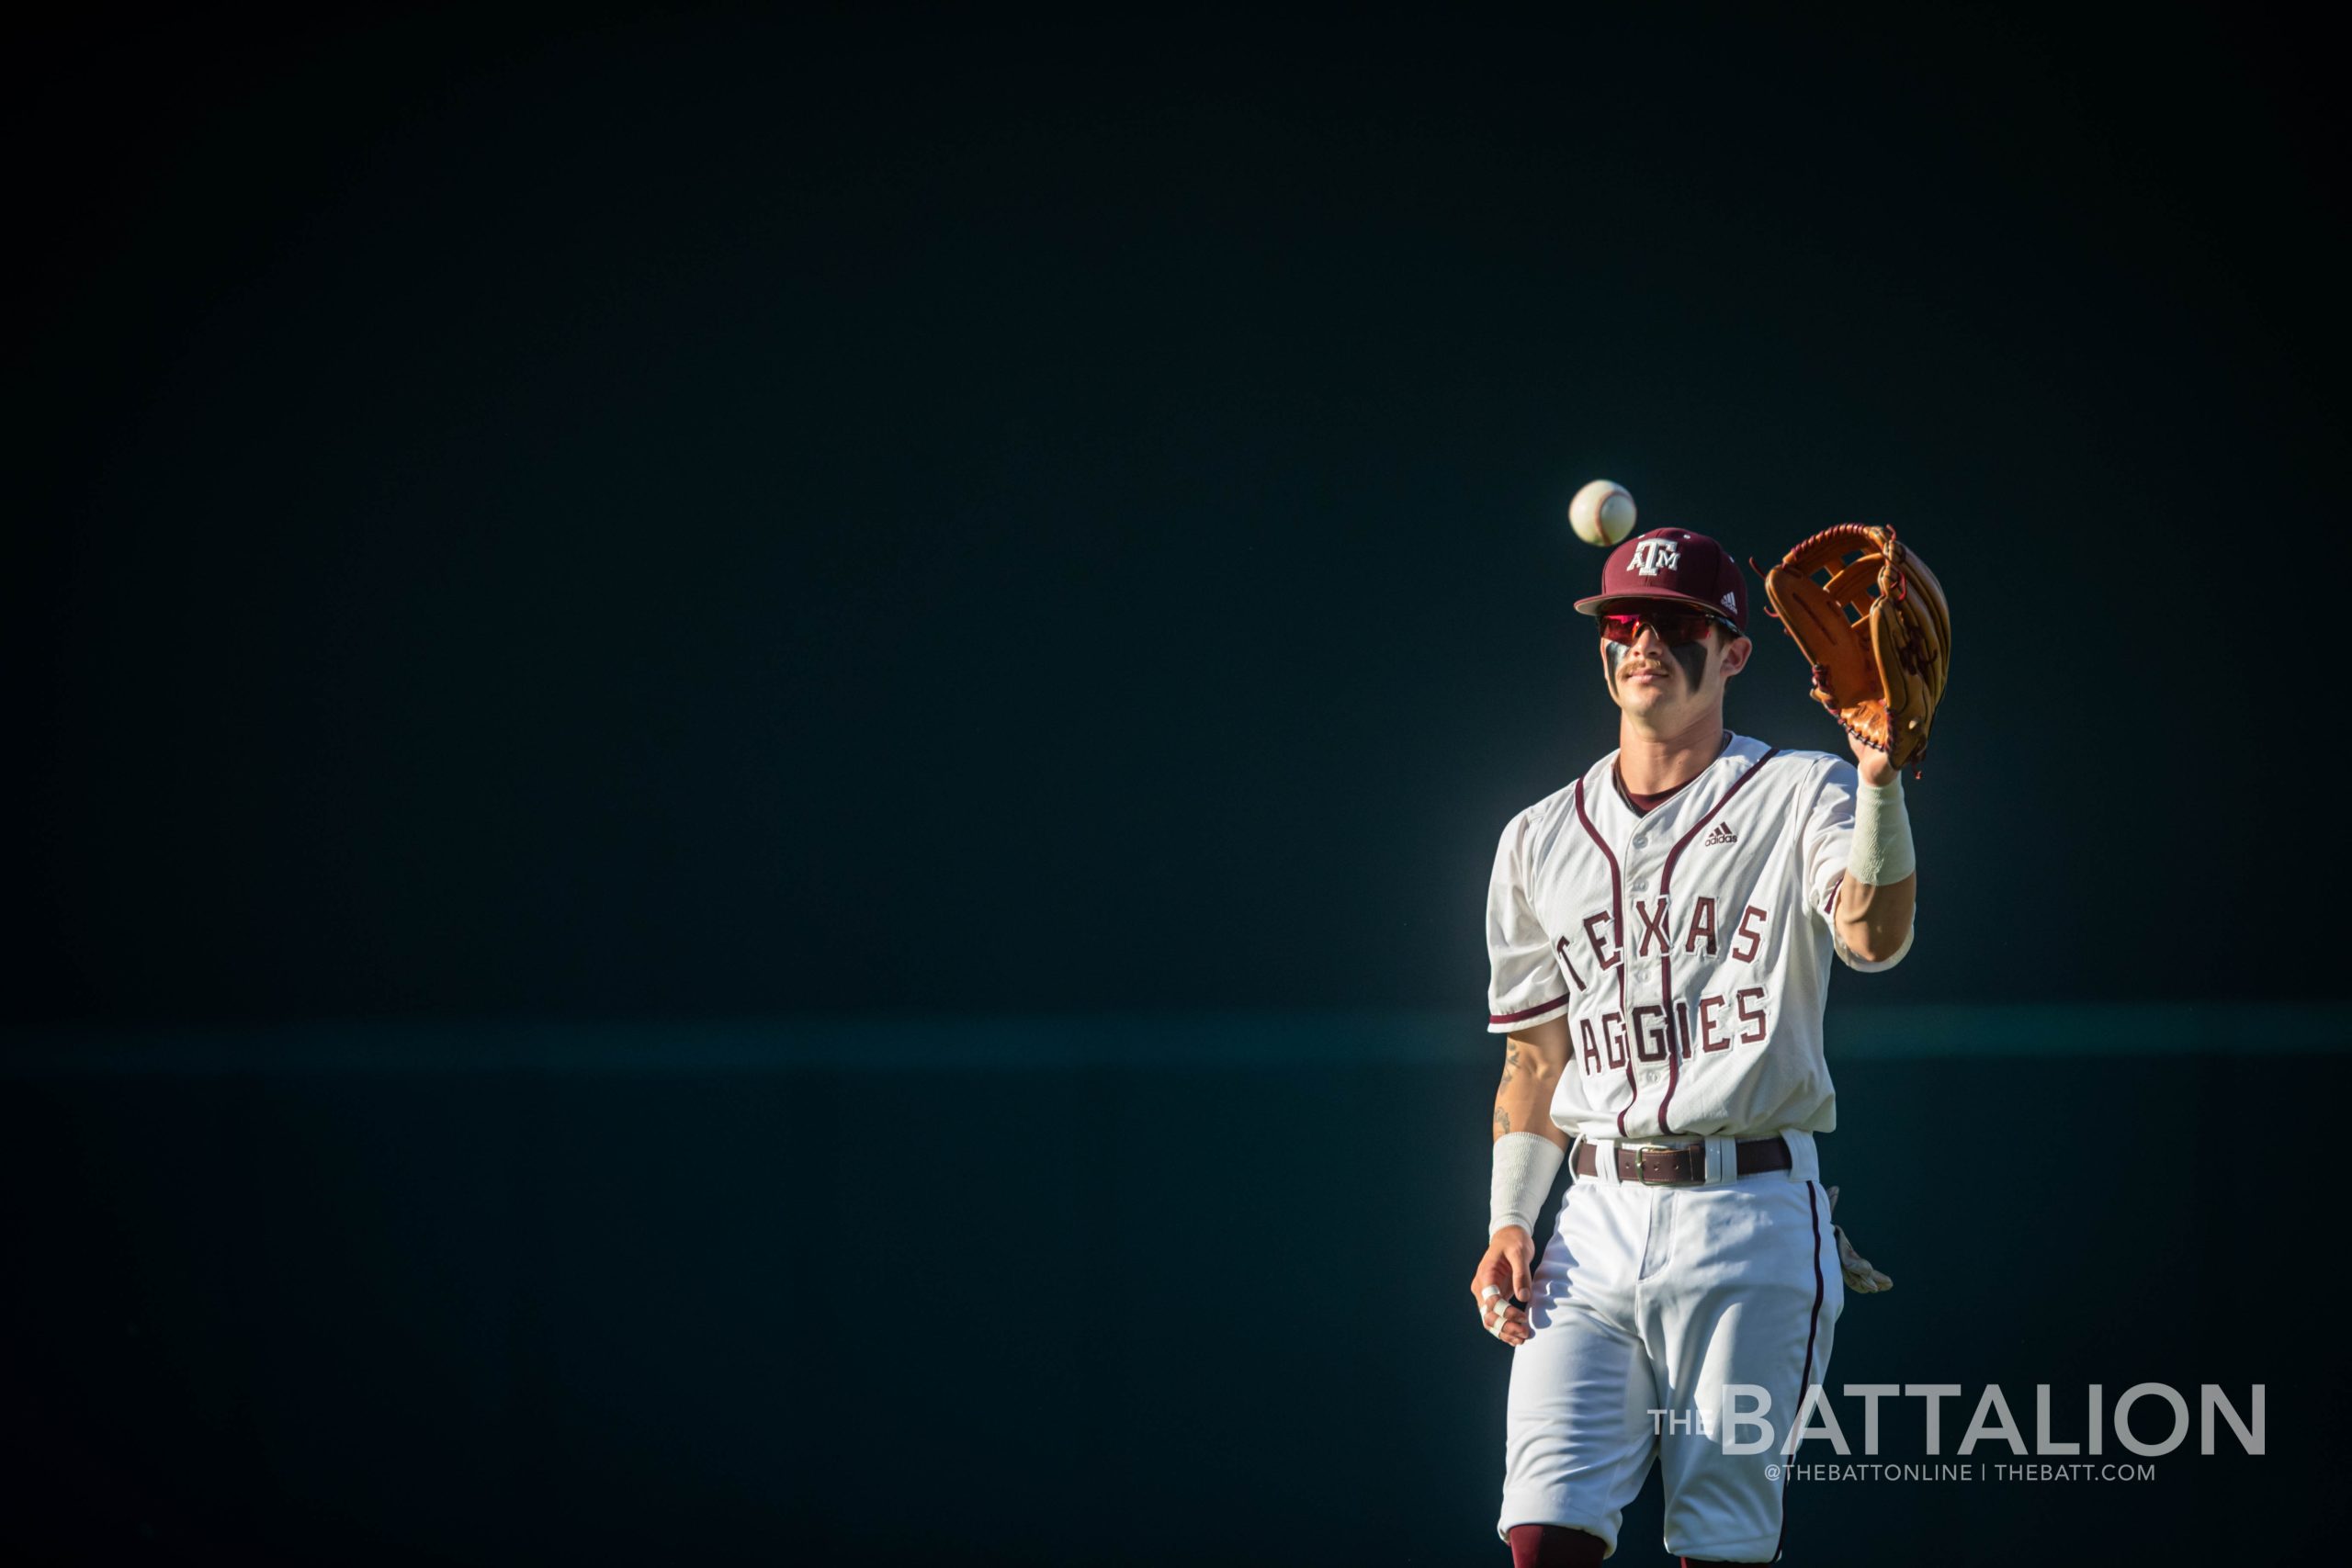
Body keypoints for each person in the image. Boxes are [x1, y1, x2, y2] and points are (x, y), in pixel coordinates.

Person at [1467, 526, 1918, 1565]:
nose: (1646, 643)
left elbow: (1873, 937)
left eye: (1680, 626)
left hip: (1750, 1210)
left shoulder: (1804, 790)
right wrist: (1507, 1221)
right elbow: (1534, 1061)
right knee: (1542, 1531)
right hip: (1593, 1218)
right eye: (1624, 622)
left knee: (1717, 1545)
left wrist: (1883, 783)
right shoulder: (1537, 837)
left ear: (1734, 653)